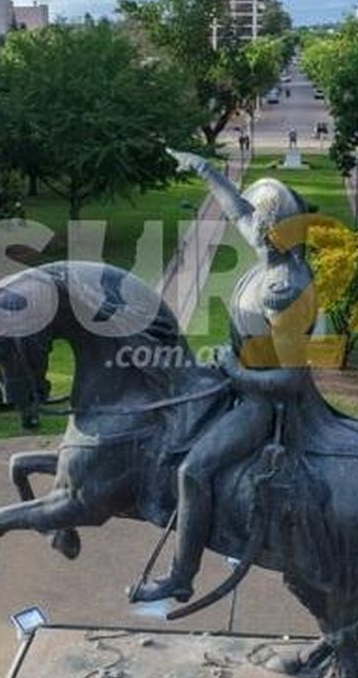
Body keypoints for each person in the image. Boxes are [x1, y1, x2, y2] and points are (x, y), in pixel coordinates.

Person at [131, 150, 322, 604]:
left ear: (271, 229)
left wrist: (236, 372)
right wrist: (204, 169)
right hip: (233, 376)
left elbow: (293, 380)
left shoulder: (285, 290)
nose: (248, 223)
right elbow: (236, 208)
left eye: (257, 218)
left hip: (263, 404)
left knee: (193, 471)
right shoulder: (273, 253)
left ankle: (181, 576)